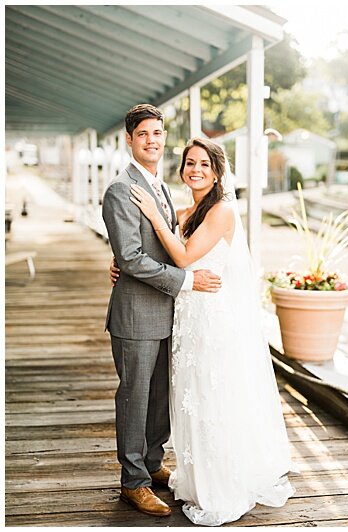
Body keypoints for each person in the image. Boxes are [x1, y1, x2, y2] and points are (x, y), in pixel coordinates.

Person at [124, 135, 296, 525]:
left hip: (214, 320)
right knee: (191, 396)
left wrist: (152, 214)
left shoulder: (222, 212)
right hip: (187, 317)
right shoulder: (189, 212)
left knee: (211, 395)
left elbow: (182, 255)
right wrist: (120, 263)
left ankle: (221, 484)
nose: (196, 169)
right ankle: (198, 476)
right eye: (190, 163)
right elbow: (155, 250)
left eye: (204, 164)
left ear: (218, 172)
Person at [100, 104, 222, 518]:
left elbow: (161, 243)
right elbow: (131, 257)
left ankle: (152, 464)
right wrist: (187, 281)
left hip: (167, 313)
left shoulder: (162, 187)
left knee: (158, 397)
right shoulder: (121, 188)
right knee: (135, 397)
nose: (152, 140)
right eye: (144, 134)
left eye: (158, 133)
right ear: (130, 140)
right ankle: (132, 482)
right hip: (135, 315)